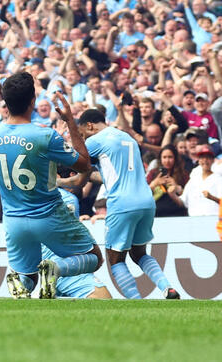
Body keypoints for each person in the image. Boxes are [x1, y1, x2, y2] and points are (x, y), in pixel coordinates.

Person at [0, 72, 102, 299]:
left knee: (28, 275)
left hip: (14, 220)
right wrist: (69, 121)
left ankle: (21, 284)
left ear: (5, 104)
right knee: (94, 257)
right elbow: (85, 164)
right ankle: (55, 269)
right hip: (49, 215)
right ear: (32, 102)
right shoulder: (44, 135)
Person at [75, 108, 179, 299]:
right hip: (146, 201)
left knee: (115, 259)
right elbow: (114, 174)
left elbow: (76, 160)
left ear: (89, 126)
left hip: (122, 203)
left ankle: (135, 301)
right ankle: (168, 287)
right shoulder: (127, 138)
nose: (83, 138)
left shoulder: (95, 140)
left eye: (82, 133)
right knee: (139, 253)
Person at [48, 189, 112, 300]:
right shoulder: (67, 198)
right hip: (66, 267)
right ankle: (54, 269)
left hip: (39, 264)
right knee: (103, 299)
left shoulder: (34, 194)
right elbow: (76, 238)